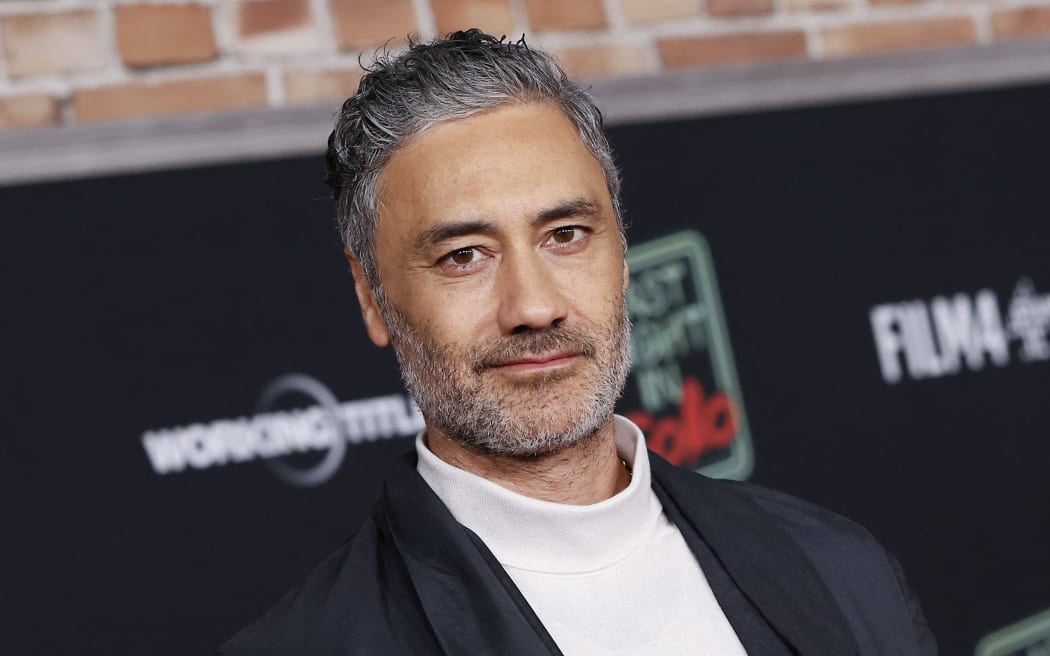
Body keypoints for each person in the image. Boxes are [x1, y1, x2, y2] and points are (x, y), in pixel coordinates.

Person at [218, 29, 936, 655]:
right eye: (465, 254)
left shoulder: (842, 566)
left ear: (622, 255)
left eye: (566, 236)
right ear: (372, 297)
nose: (533, 307)